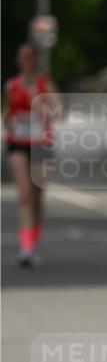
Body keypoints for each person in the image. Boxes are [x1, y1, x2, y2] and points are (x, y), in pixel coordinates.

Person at [3, 43, 59, 267]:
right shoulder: (11, 85)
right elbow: (7, 112)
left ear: (35, 60)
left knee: (37, 198)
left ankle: (33, 242)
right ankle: (26, 248)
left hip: (40, 144)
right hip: (18, 143)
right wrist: (8, 122)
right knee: (24, 194)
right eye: (22, 57)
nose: (25, 61)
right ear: (19, 60)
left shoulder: (46, 85)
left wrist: (42, 106)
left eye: (29, 57)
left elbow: (59, 112)